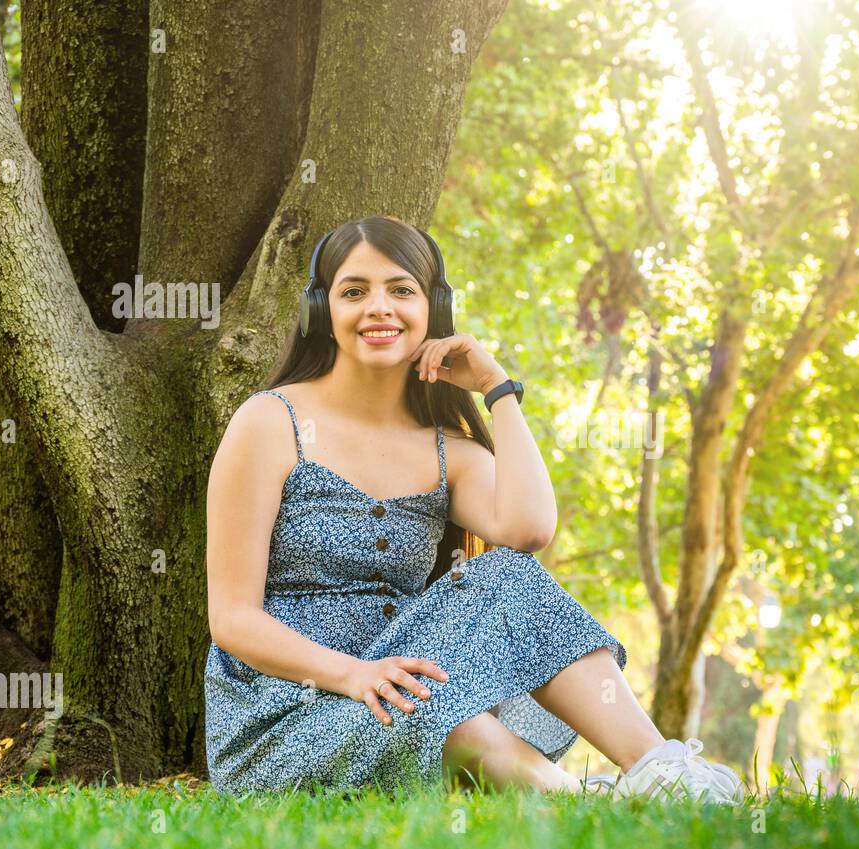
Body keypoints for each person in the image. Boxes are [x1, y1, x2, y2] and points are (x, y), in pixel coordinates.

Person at [203, 216, 743, 804]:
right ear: (320, 311)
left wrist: (497, 389)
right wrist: (353, 675)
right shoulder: (270, 422)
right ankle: (601, 802)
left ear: (433, 309)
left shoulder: (446, 448)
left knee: (497, 589)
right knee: (440, 719)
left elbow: (529, 529)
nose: (378, 308)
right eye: (354, 291)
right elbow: (232, 618)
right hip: (285, 710)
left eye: (401, 290)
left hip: (407, 687)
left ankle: (659, 775)